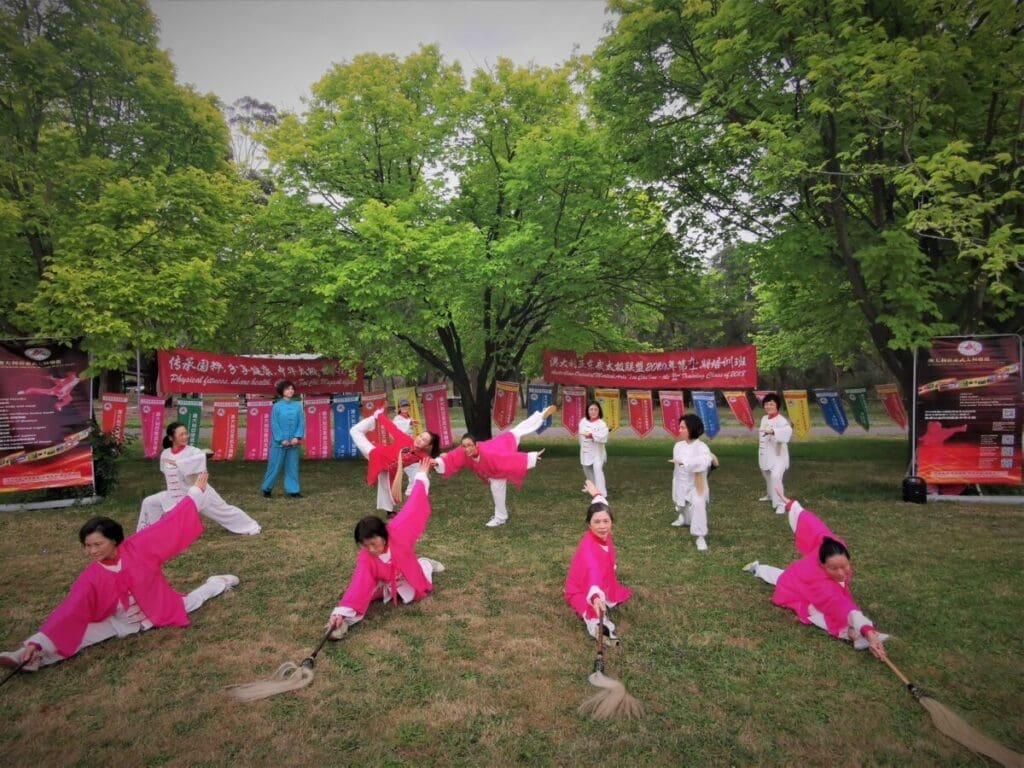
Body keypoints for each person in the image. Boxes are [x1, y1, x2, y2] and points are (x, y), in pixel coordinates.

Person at [0, 474, 239, 672]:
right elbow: (70, 610)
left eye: (97, 544)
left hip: (160, 606)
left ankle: (219, 581)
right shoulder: (91, 576)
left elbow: (170, 524)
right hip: (120, 621)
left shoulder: (138, 547)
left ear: (114, 541)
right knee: (79, 633)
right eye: (87, 545)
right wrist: (36, 643)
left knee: (194, 600)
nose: (91, 550)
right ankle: (28, 657)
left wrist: (196, 492)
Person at [743, 490, 889, 658]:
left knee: (791, 581)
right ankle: (757, 569)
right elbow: (842, 606)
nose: (841, 573)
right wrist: (867, 631)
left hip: (802, 574)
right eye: (834, 569)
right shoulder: (821, 584)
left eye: (844, 566)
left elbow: (813, 525)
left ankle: (855, 633)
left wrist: (792, 505)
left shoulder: (834, 545)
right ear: (822, 565)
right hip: (799, 581)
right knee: (813, 608)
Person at [327, 457, 444, 635]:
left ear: (383, 535)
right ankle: (343, 622)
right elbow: (358, 583)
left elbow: (414, 504)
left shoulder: (398, 530)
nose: (372, 549)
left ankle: (425, 563)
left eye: (374, 543)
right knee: (365, 593)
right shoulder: (366, 557)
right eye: (366, 546)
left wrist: (421, 475)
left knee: (417, 587)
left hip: (406, 571)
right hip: (384, 581)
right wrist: (340, 612)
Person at [434, 405, 557, 528]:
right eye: (464, 446)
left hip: (499, 457)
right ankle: (540, 415)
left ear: (476, 445)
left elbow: (508, 459)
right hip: (499, 444)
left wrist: (531, 456)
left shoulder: (489, 454)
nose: (467, 449)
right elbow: (451, 457)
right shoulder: (463, 451)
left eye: (470, 445)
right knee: (518, 430)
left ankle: (500, 518)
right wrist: (438, 461)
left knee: (497, 488)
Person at [137, 422, 261, 535]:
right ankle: (147, 532)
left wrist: (180, 463)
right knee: (150, 502)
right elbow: (166, 472)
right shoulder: (165, 454)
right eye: (181, 434)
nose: (185, 437)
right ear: (171, 438)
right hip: (175, 494)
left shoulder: (193, 452)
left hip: (198, 493)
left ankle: (250, 526)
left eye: (186, 433)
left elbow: (204, 458)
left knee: (224, 511)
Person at [564, 480, 632, 642]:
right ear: (589, 524)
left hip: (603, 578)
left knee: (607, 598)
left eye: (606, 521)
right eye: (597, 522)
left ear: (611, 522)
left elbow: (602, 504)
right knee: (595, 614)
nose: (602, 526)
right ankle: (599, 628)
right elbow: (593, 572)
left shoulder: (603, 531)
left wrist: (595, 494)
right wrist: (594, 596)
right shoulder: (589, 548)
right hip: (585, 585)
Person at [350, 407, 440, 514]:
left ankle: (389, 511)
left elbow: (432, 461)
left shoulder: (421, 455)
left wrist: (439, 462)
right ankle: (372, 420)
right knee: (354, 431)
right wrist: (379, 416)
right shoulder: (405, 439)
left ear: (428, 446)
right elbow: (391, 427)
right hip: (376, 455)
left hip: (390, 470)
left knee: (386, 487)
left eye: (424, 440)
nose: (420, 440)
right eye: (420, 436)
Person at [668, 413, 715, 551]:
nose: (679, 430)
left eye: (683, 427)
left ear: (692, 429)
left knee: (699, 506)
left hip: (696, 485)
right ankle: (682, 517)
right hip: (680, 482)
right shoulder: (677, 446)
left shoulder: (702, 447)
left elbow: (706, 461)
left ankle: (700, 537)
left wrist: (686, 462)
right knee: (680, 505)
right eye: (680, 427)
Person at [260, 380, 305, 499]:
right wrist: (281, 439)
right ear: (282, 391)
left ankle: (293, 490)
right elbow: (274, 424)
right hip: (279, 443)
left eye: (292, 388)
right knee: (274, 466)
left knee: (292, 466)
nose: (290, 391)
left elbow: (301, 422)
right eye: (287, 389)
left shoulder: (297, 406)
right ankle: (267, 489)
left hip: (294, 443)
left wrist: (297, 436)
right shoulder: (277, 406)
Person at [757, 393, 792, 513]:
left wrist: (773, 431)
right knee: (767, 475)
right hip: (765, 452)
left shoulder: (781, 420)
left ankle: (781, 503)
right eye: (766, 404)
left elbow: (787, 431)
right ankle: (770, 495)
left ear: (777, 405)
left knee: (775, 476)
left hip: (778, 454)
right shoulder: (764, 418)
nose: (768, 406)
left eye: (771, 404)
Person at [578, 400, 609, 497]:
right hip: (585, 451)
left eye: (595, 409)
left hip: (597, 453)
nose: (593, 411)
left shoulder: (602, 424)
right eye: (591, 409)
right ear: (587, 411)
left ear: (599, 411)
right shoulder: (583, 421)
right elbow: (581, 435)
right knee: (587, 470)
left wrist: (592, 435)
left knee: (598, 470)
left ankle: (601, 494)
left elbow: (603, 436)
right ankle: (593, 488)